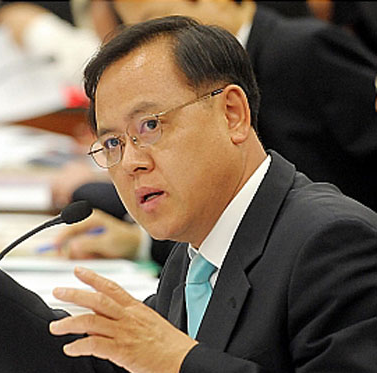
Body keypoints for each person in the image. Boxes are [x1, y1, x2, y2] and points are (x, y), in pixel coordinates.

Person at [0, 16, 377, 373]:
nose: (130, 162)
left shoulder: (333, 241)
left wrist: (180, 363)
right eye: (112, 143)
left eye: (150, 125)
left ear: (232, 113)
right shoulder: (201, 247)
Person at [58, 0, 377, 264]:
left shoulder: (305, 49)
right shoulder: (190, 254)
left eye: (156, 21)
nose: (147, 49)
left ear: (233, 112)